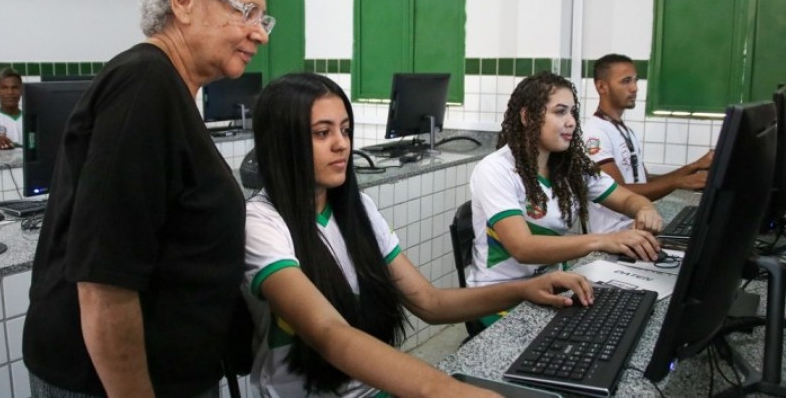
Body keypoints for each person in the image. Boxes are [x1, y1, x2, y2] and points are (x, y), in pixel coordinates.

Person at [22, 0, 281, 398]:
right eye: (246, 11)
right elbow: (104, 285)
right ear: (183, 0)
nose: (259, 33)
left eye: (262, 18)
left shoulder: (173, 91)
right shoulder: (144, 85)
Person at [243, 72, 594, 398]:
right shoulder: (261, 223)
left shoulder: (357, 208)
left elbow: (430, 302)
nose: (341, 144)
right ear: (283, 143)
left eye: (346, 130)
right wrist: (444, 390)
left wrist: (523, 290)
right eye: (322, 133)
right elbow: (331, 335)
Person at [467, 71, 663, 325]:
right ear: (528, 117)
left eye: (572, 112)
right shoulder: (496, 169)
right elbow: (522, 248)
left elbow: (627, 199)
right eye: (559, 112)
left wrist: (644, 208)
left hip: (552, 287)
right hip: (500, 302)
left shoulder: (570, 167)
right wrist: (603, 241)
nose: (571, 121)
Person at [583, 53, 713, 232]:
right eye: (626, 81)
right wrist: (677, 183)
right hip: (613, 236)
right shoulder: (594, 133)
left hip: (635, 229)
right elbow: (620, 191)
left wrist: (694, 166)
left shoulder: (625, 131)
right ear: (602, 86)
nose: (634, 88)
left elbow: (646, 182)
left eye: (635, 80)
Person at [0, 67, 23, 150]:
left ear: (22, 90)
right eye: (4, 88)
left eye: (15, 88)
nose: (10, 92)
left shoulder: (31, 119)